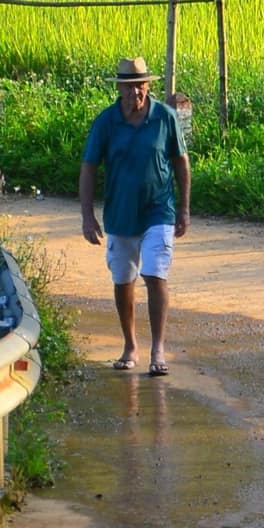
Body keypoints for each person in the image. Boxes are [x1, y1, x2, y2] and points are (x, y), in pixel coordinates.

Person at [80, 56, 190, 374]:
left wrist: (183, 208)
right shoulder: (105, 122)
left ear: (147, 86)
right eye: (129, 88)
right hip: (120, 213)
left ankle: (158, 349)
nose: (135, 93)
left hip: (159, 210)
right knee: (122, 280)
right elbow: (88, 168)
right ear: (120, 90)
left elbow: (181, 163)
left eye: (140, 86)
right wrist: (87, 216)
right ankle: (130, 344)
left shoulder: (164, 117)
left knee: (155, 274)